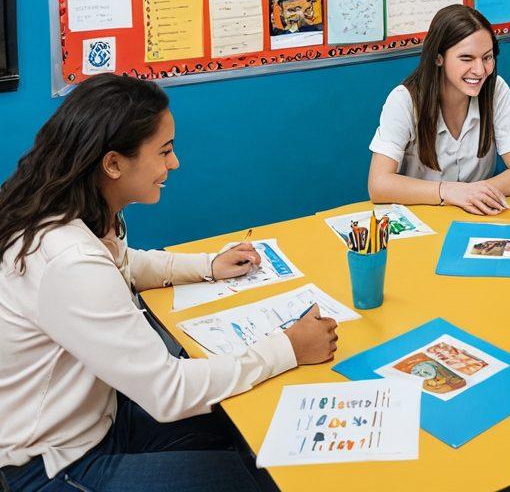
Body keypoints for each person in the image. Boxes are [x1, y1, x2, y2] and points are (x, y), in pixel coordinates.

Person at [0, 75, 338, 492]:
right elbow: (168, 392)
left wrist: (207, 266)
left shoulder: (71, 211)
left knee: (252, 427)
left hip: (100, 419)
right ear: (113, 163)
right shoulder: (68, 260)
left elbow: (122, 264)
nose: (174, 163)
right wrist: (287, 347)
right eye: (164, 151)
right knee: (260, 480)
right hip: (57, 467)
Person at [368, 5, 510, 215]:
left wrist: (473, 193)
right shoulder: (404, 99)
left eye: (487, 57)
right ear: (439, 58)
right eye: (466, 58)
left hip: (477, 217)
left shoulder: (496, 89)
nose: (480, 70)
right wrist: (449, 192)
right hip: (422, 218)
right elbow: (379, 184)